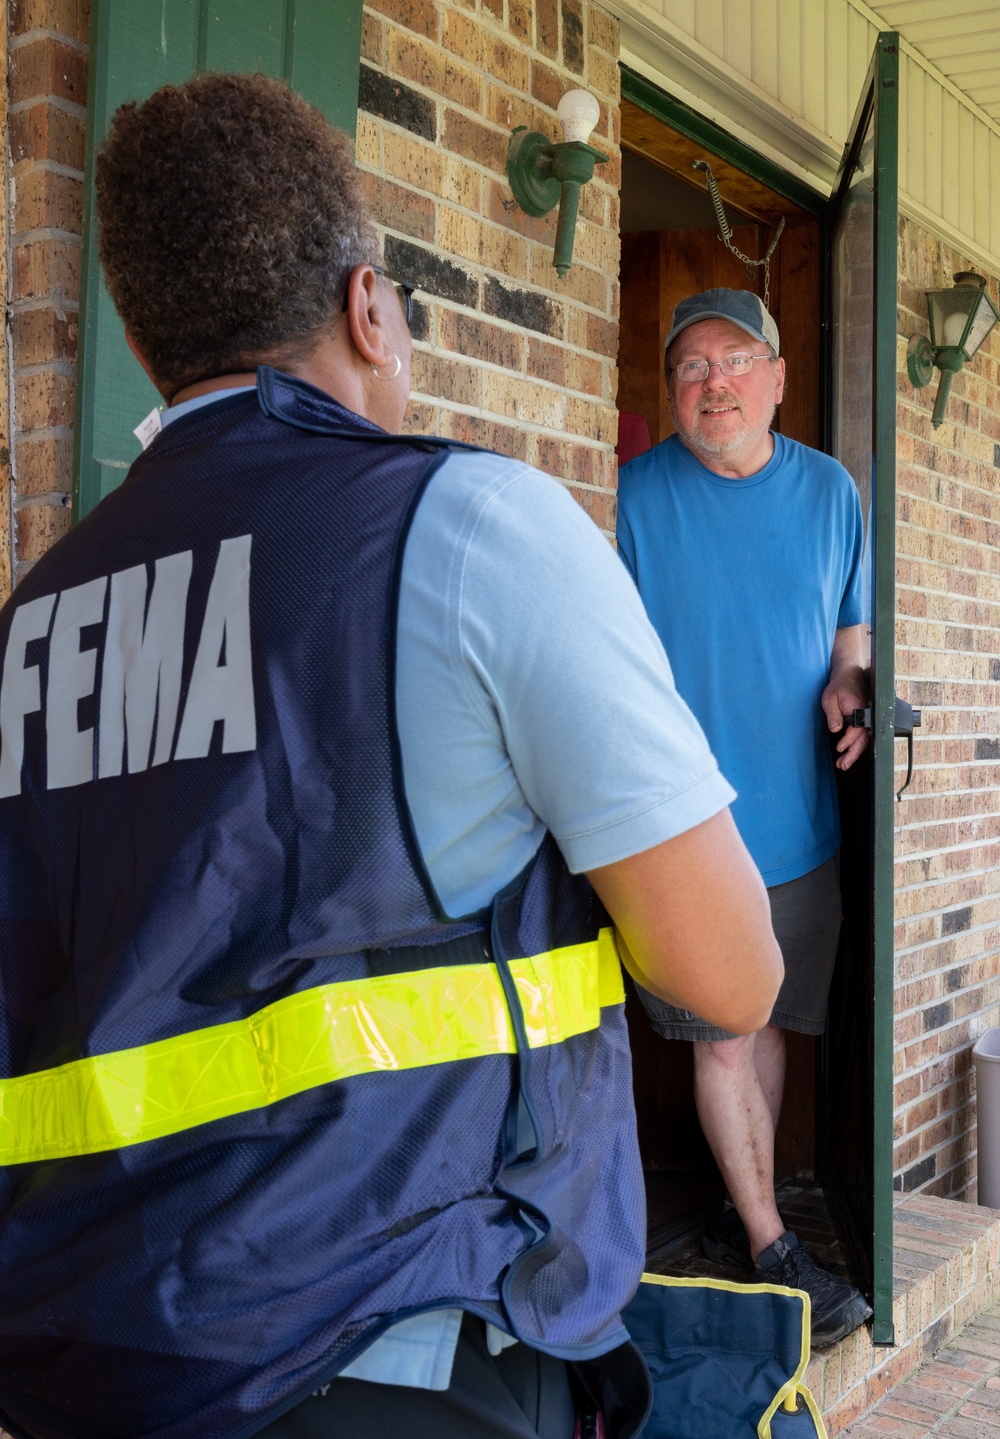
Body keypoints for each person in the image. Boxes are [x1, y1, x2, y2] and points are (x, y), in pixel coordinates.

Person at [0, 78, 783, 1439]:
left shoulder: (32, 619)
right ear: (373, 307)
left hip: (76, 1368)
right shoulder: (474, 527)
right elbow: (730, 973)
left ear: (144, 338)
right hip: (397, 1356)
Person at [616, 287, 873, 1349]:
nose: (710, 382)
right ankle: (774, 1249)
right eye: (688, 367)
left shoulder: (830, 491)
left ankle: (734, 1209)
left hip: (800, 821)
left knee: (763, 1025)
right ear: (670, 389)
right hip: (685, 831)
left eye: (731, 362)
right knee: (722, 1038)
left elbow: (851, 626)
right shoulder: (629, 497)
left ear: (774, 376)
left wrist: (850, 682)